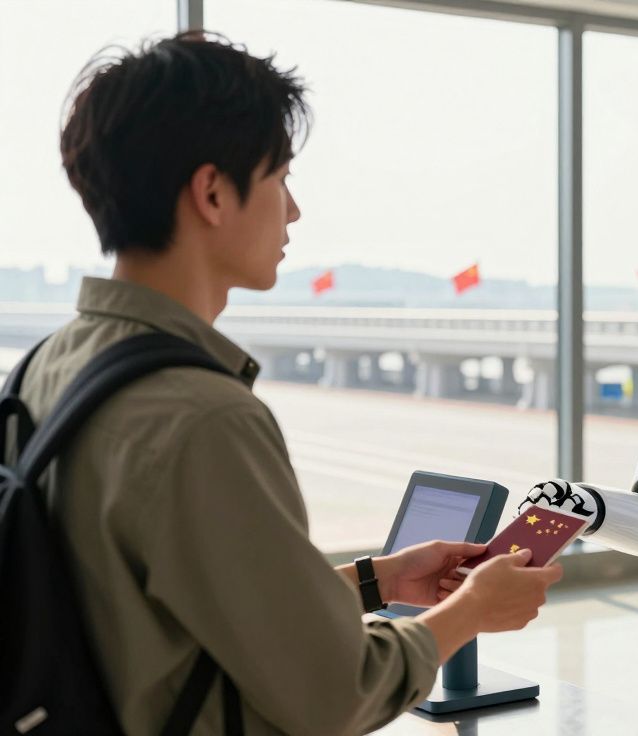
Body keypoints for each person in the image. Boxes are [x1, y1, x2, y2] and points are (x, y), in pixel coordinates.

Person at [19, 32, 562, 735]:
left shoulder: (44, 367)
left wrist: (382, 580)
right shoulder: (201, 416)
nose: (294, 211)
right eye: (279, 177)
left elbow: (164, 621)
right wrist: (468, 613)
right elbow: (335, 693)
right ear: (213, 192)